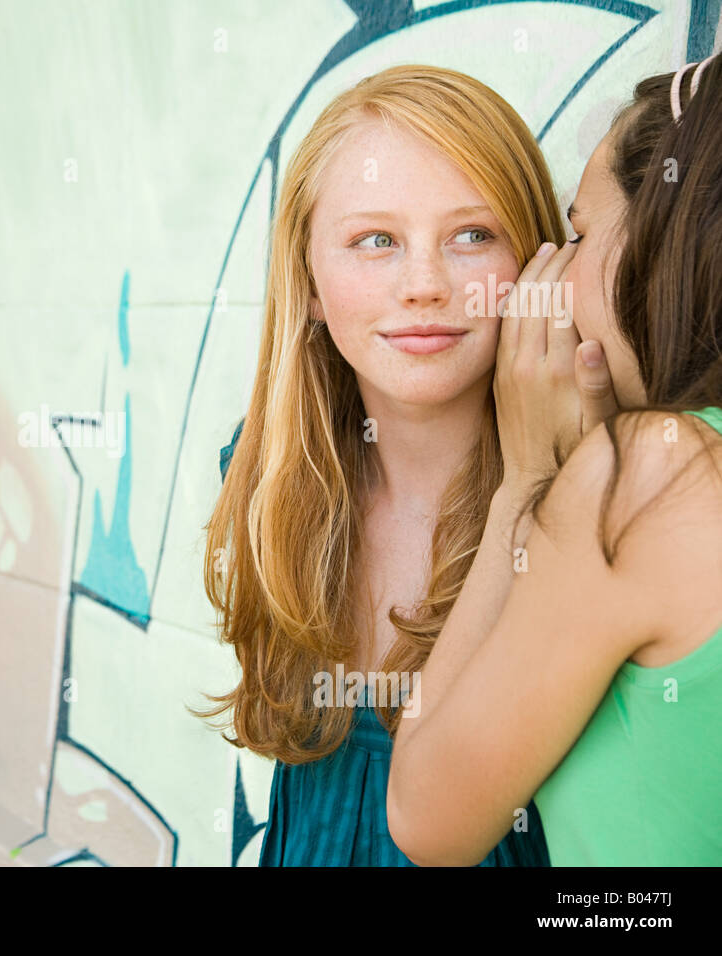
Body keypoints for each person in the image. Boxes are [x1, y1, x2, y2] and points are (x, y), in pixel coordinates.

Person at [200, 64, 573, 866]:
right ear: (307, 282)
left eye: (473, 235)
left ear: (540, 263)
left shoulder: (588, 504)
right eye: (377, 241)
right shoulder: (267, 481)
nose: (425, 286)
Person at [388, 55, 722, 866]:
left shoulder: (658, 476)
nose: (555, 273)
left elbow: (425, 819)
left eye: (578, 233)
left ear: (666, 235)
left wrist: (530, 480)